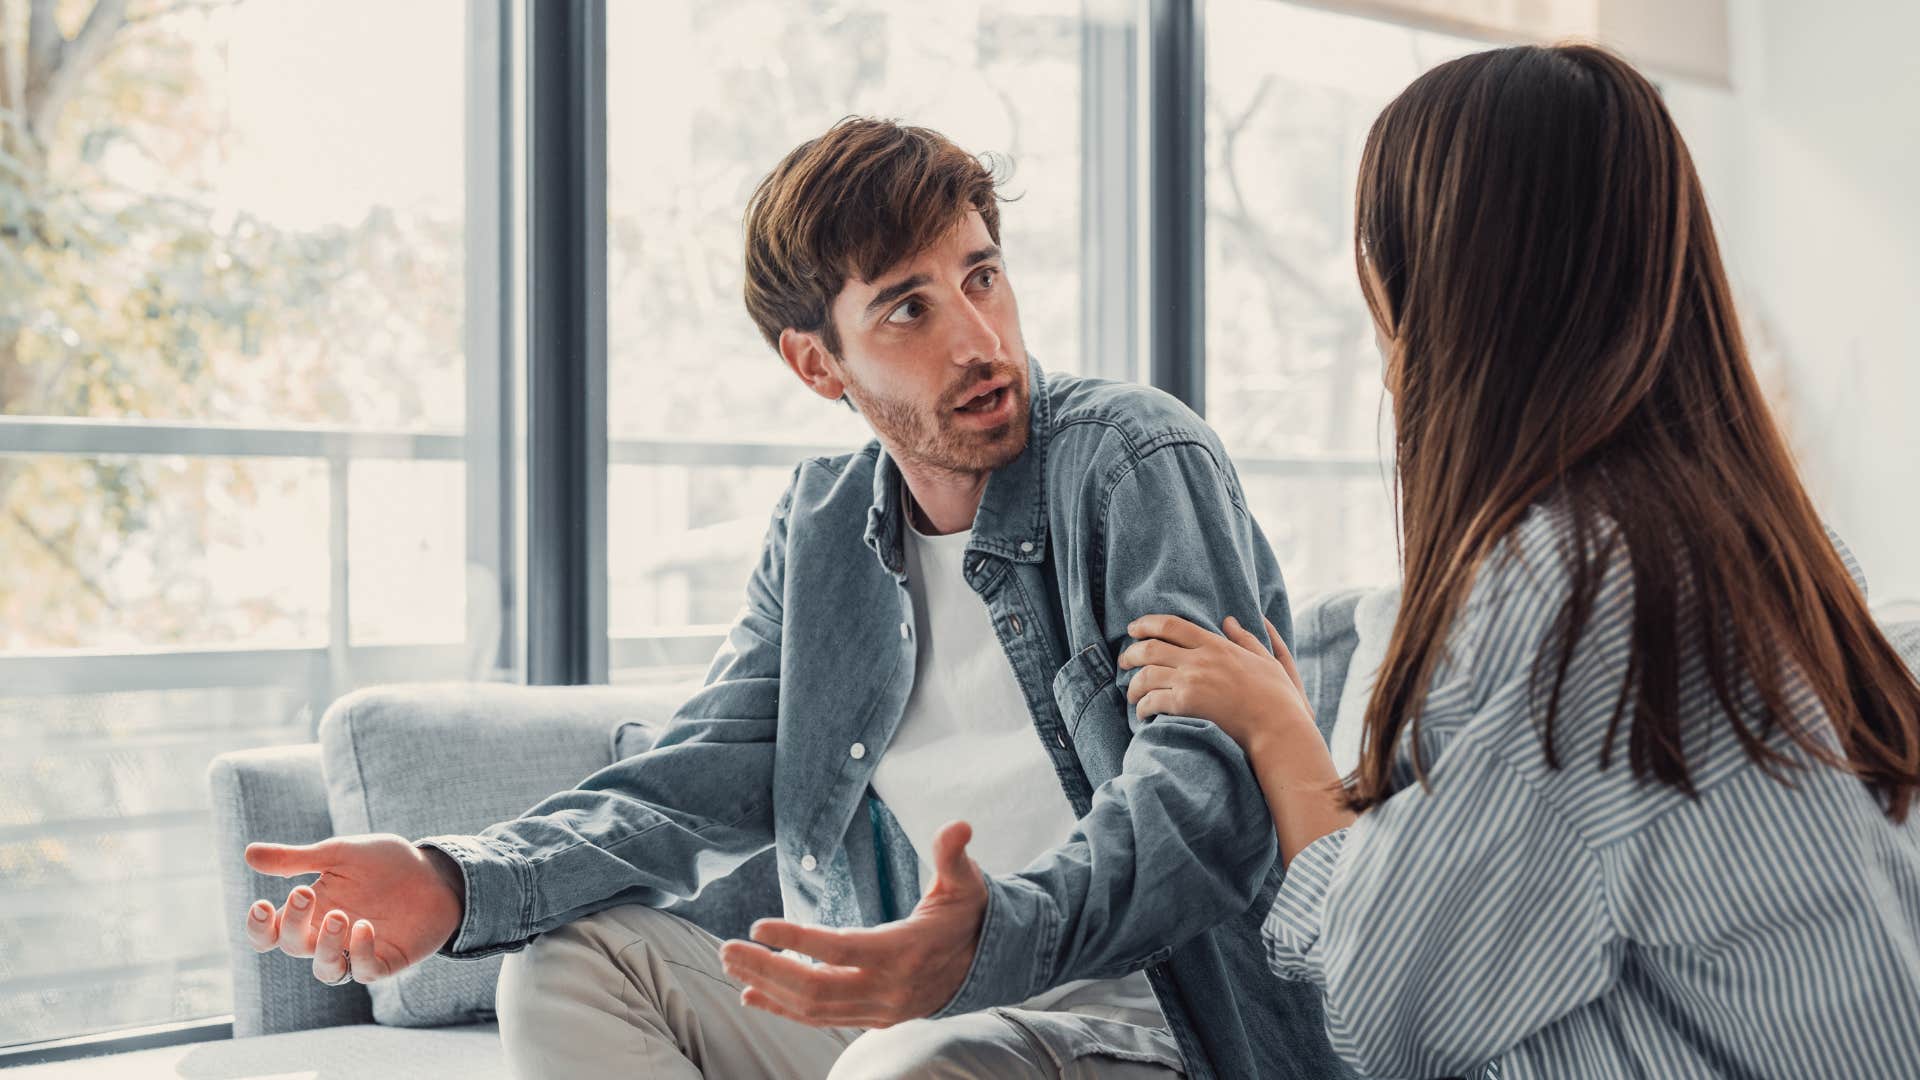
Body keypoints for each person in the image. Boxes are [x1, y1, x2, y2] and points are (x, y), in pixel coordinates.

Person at [239, 118, 1348, 1079]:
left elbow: (1206, 799)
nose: (978, 340)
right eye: (908, 309)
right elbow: (692, 782)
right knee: (569, 969)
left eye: (981, 275)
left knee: (913, 1064)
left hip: (1152, 1026)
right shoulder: (823, 531)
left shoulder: (1131, 461)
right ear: (819, 365)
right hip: (919, 1012)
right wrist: (453, 877)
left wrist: (985, 942)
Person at [1121, 44, 1920, 1079]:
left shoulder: (1584, 597)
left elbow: (1383, 1004)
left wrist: (1278, 732)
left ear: (1437, 286)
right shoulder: (1771, 548)